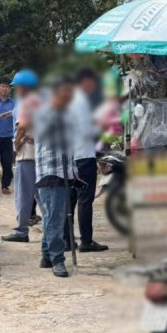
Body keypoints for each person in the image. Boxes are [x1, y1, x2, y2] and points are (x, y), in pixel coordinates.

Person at [33, 76, 77, 278]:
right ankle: (57, 259)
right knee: (55, 219)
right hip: (50, 173)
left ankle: (46, 256)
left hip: (62, 172)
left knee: (51, 216)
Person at [68, 67, 108, 252]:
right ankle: (86, 241)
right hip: (83, 156)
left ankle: (67, 239)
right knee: (85, 200)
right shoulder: (81, 102)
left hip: (72, 158)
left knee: (71, 200)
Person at [2, 69, 41, 243]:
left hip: (26, 152)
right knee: (42, 194)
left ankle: (21, 230)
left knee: (23, 194)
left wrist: (16, 143)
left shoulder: (25, 102)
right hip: (39, 152)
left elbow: (22, 125)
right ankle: (55, 228)